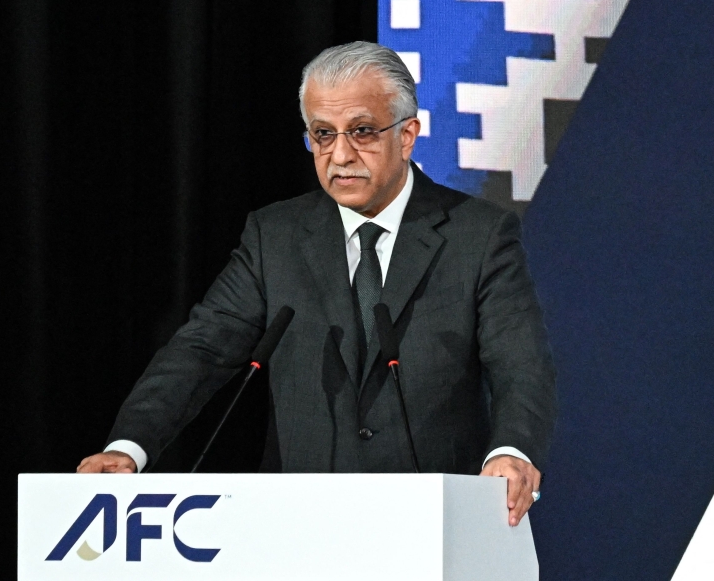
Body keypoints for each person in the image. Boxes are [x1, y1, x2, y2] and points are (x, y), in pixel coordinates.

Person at [77, 41, 556, 527]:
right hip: (296, 528)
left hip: (436, 528)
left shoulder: (479, 234)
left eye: (363, 131)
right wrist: (129, 446)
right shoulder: (275, 236)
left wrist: (511, 450)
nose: (340, 154)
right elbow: (201, 349)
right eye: (322, 134)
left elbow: (519, 361)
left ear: (408, 134)